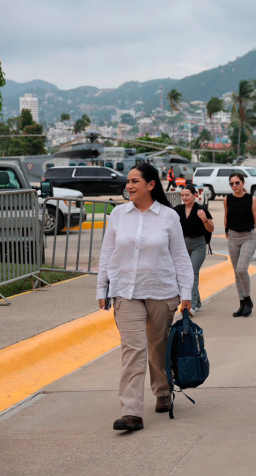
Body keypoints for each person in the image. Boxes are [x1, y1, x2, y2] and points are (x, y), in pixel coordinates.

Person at [97, 163, 194, 431]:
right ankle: (131, 412)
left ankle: (162, 391)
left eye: (134, 181)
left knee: (157, 346)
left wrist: (186, 293)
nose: (128, 186)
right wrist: (102, 288)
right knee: (133, 350)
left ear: (151, 185)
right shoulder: (118, 214)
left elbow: (180, 257)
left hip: (161, 291)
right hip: (126, 292)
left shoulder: (168, 217)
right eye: (128, 181)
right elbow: (107, 253)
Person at [224, 172, 256, 317]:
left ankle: (248, 300)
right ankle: (241, 304)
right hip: (233, 238)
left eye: (237, 183)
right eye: (232, 183)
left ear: (243, 183)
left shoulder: (251, 199)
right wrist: (226, 230)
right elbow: (226, 215)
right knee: (236, 272)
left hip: (248, 237)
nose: (234, 186)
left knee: (242, 269)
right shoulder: (227, 199)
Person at [174, 185, 214, 314]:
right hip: (183, 244)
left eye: (187, 195)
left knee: (192, 273)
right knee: (186, 273)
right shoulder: (178, 210)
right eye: (183, 195)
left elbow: (211, 229)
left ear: (194, 195)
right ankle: (198, 302)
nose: (184, 197)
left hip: (198, 244)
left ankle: (192, 305)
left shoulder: (201, 210)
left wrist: (204, 219)